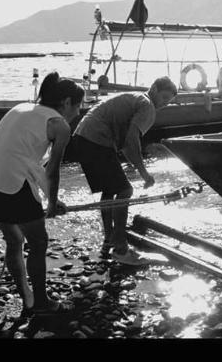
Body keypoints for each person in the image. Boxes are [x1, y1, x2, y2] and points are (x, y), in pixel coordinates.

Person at [0, 72, 84, 316]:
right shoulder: (60, 125)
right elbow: (52, 170)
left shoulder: (22, 108)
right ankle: (42, 303)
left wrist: (52, 199)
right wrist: (52, 203)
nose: (78, 112)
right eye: (78, 106)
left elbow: (23, 158)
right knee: (38, 241)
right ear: (67, 102)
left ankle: (29, 300)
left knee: (14, 240)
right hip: (13, 184)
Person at [72, 76, 177, 265]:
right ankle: (121, 248)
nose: (164, 104)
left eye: (168, 102)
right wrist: (145, 174)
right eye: (163, 98)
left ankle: (108, 239)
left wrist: (138, 167)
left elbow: (126, 146)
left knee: (111, 190)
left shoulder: (134, 98)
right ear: (153, 89)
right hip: (97, 139)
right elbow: (131, 141)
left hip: (81, 137)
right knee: (125, 190)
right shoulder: (147, 106)